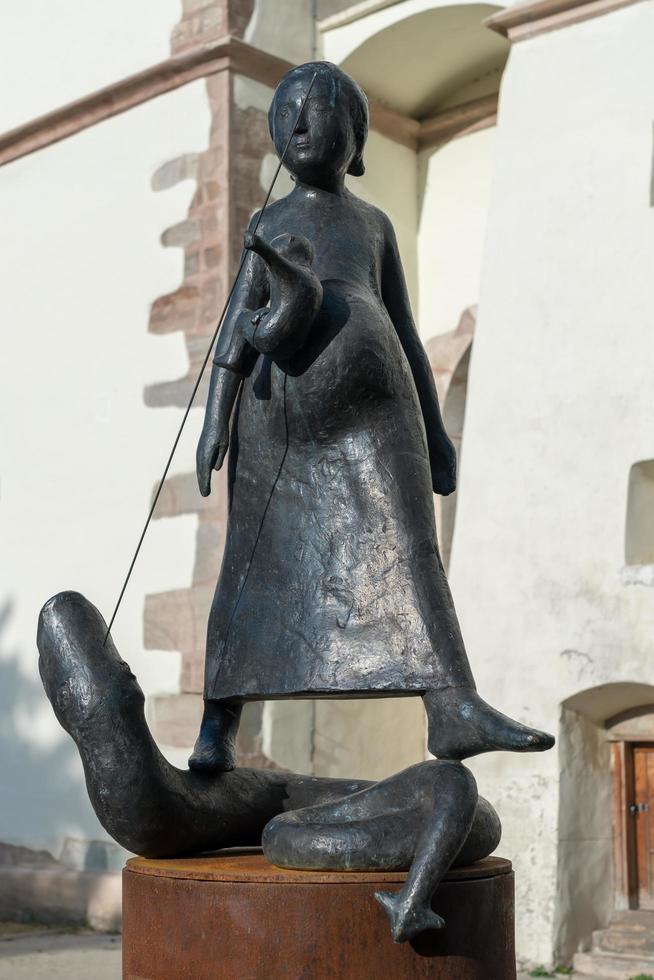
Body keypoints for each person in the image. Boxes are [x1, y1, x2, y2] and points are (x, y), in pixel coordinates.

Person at [189, 61, 553, 773]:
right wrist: (214, 423)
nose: (298, 122)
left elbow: (410, 338)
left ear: (355, 139)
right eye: (285, 111)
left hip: (378, 416)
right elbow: (235, 330)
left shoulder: (373, 225)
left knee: (409, 543)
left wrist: (440, 438)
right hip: (279, 429)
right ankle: (216, 726)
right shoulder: (268, 222)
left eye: (317, 110)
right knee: (252, 563)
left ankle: (451, 704)